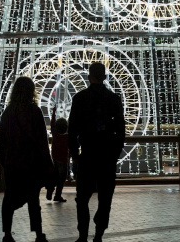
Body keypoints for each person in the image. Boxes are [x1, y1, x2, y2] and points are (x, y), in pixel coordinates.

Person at [68, 63, 125, 242]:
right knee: (105, 197)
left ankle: (82, 235)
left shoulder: (80, 98)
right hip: (107, 156)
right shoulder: (114, 99)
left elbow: (72, 130)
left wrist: (75, 154)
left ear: (89, 77)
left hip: (88, 154)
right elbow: (121, 129)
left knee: (82, 198)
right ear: (105, 77)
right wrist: (116, 152)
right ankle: (99, 233)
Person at [0, 76, 54, 242]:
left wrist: (6, 162)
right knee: (33, 201)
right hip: (31, 165)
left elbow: (2, 141)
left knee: (9, 199)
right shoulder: (35, 112)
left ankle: (7, 234)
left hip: (13, 165)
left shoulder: (8, 113)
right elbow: (42, 141)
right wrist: (47, 165)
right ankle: (38, 234)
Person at [46, 105, 69, 202]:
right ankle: (57, 195)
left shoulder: (55, 134)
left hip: (55, 158)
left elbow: (52, 124)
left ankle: (50, 189)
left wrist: (54, 112)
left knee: (55, 177)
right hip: (64, 160)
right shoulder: (68, 137)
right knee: (62, 179)